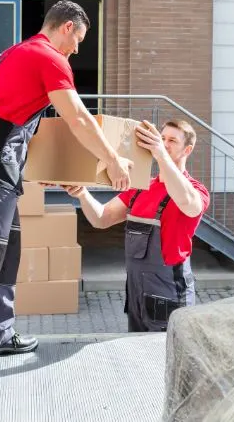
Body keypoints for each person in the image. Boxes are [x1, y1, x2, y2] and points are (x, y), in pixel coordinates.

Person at [0, 0, 133, 385]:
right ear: (65, 27)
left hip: (1, 159)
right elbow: (76, 116)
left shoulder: (19, 53)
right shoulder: (47, 57)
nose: (78, 49)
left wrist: (44, 168)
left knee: (6, 248)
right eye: (78, 38)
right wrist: (112, 158)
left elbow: (25, 121)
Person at [63, 119, 210, 332]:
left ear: (187, 149)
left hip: (169, 291)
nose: (164, 143)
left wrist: (160, 154)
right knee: (139, 352)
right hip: (137, 291)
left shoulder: (196, 190)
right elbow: (102, 218)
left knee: (166, 353)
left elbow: (189, 205)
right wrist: (82, 195)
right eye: (162, 138)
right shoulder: (141, 186)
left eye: (172, 141)